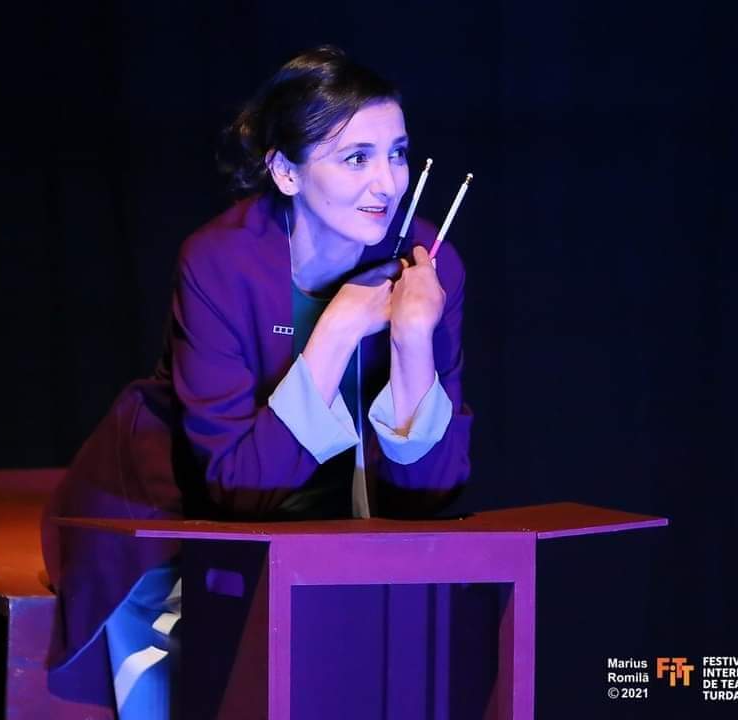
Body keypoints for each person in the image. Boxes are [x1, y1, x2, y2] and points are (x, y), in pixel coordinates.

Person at [41, 45, 473, 718]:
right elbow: (238, 488)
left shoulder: (428, 262)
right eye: (356, 158)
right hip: (180, 531)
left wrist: (414, 341)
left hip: (334, 546)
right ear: (286, 171)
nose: (388, 183)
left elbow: (429, 496)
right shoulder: (220, 262)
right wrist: (335, 331)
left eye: (397, 153)